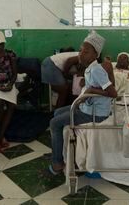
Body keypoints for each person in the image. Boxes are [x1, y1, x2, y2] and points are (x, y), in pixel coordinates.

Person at [48, 30, 117, 175]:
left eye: (86, 52)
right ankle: (60, 149)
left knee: (54, 123)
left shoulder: (97, 70)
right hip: (86, 107)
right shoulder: (89, 69)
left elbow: (113, 93)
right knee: (57, 112)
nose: (80, 54)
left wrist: (92, 90)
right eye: (80, 50)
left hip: (96, 114)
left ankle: (57, 164)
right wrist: (88, 86)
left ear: (95, 55)